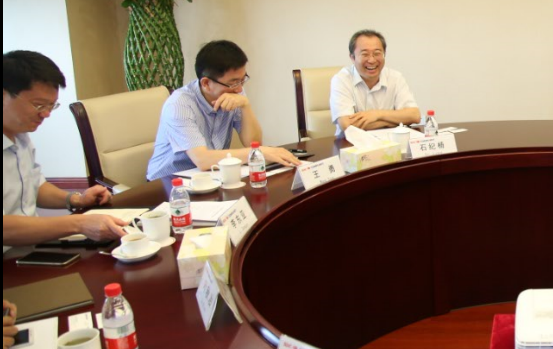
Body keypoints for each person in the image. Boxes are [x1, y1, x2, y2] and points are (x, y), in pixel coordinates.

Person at [3, 51, 127, 249]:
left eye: (51, 106)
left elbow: (34, 186)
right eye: (38, 105)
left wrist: (76, 199)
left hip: (29, 246)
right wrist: (78, 223)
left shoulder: (20, 135)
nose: (46, 114)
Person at [146, 41, 301, 180]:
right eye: (234, 83)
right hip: (166, 185)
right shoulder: (179, 105)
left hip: (210, 177)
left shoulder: (234, 92)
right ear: (206, 83)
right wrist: (261, 152)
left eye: (242, 80)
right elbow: (202, 160)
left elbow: (253, 143)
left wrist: (245, 106)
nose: (239, 88)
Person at [330, 29, 420, 135]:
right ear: (352, 57)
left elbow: (414, 115)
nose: (372, 60)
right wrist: (394, 121)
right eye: (365, 54)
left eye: (377, 53)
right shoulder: (341, 80)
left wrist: (377, 114)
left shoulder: (395, 78)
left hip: (390, 141)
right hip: (351, 142)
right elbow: (347, 124)